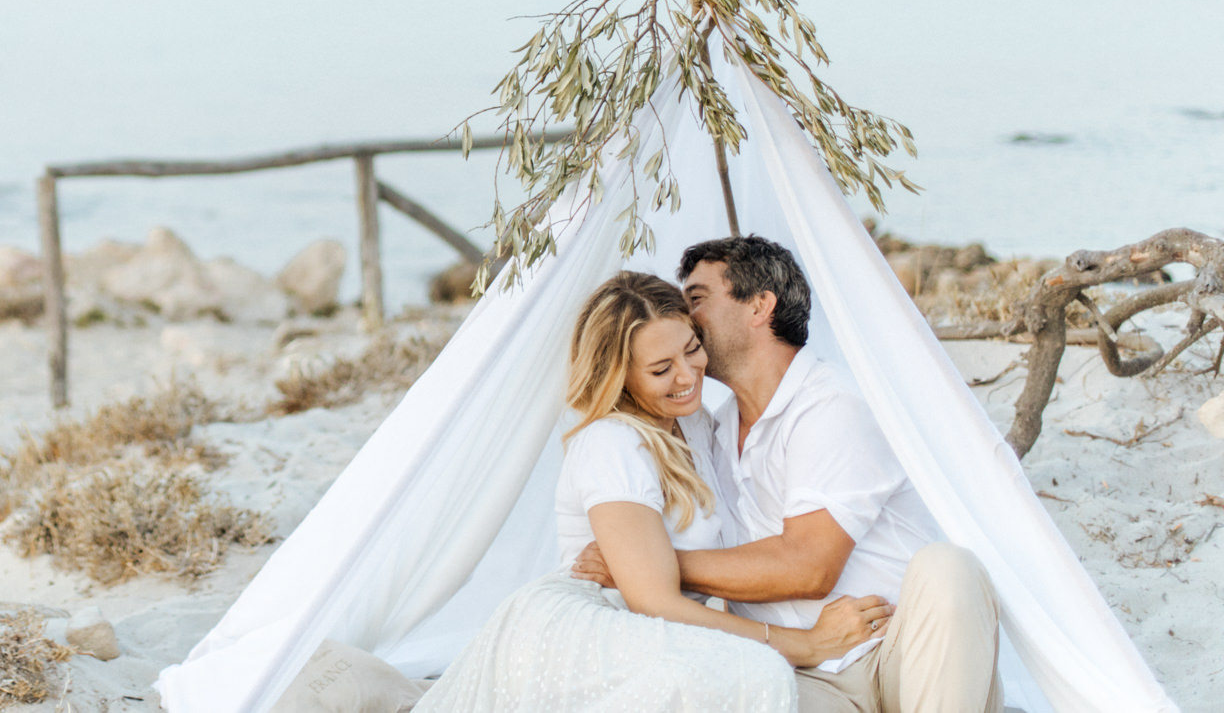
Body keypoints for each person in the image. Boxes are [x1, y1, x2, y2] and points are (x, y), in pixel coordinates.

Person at [413, 272, 889, 713]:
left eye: (693, 348)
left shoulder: (698, 425)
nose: (688, 376)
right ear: (621, 377)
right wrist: (803, 643)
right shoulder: (613, 443)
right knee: (756, 671)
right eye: (661, 369)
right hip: (593, 626)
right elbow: (654, 600)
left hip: (653, 626)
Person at [574, 236, 1005, 713]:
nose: (685, 317)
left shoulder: (831, 405)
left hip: (896, 651)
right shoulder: (708, 432)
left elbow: (809, 566)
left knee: (949, 569)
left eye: (696, 299)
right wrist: (644, 568)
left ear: (760, 306)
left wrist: (642, 566)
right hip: (800, 674)